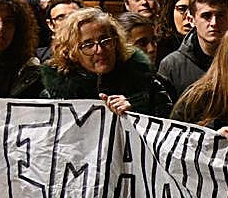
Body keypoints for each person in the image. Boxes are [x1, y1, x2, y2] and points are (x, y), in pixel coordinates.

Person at [42, 9, 172, 117]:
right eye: (88, 45)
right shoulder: (54, 96)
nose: (99, 50)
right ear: (72, 52)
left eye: (105, 41)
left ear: (116, 42)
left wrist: (135, 112)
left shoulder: (146, 82)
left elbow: (166, 128)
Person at [157, 0, 228, 97]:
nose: (214, 23)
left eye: (220, 15)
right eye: (206, 16)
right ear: (191, 20)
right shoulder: (172, 66)